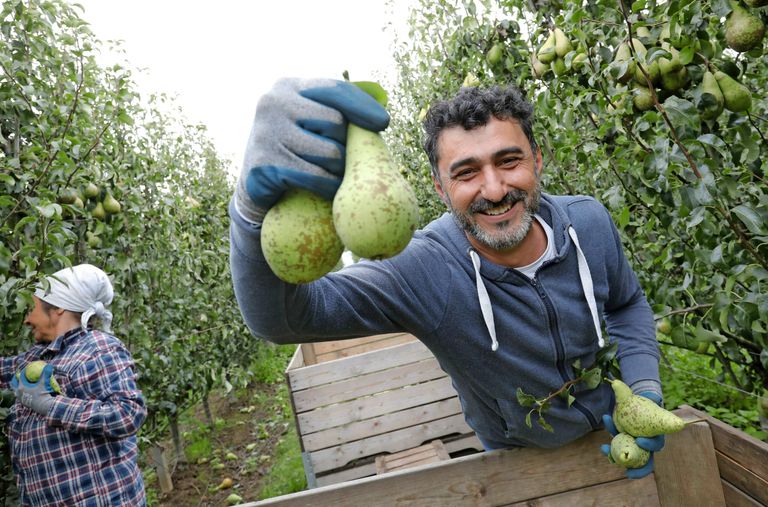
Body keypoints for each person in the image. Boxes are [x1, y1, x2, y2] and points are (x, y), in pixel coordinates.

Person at [229, 79, 665, 478]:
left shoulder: (588, 222)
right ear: (440, 188)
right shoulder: (425, 269)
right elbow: (284, 319)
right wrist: (249, 214)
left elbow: (626, 305)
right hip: (516, 471)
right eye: (466, 172)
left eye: (508, 161)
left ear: (537, 160)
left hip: (617, 444)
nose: (494, 190)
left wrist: (642, 389)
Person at [1, 264, 147, 506]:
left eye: (32, 308)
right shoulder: (37, 357)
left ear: (58, 307)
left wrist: (50, 406)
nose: (27, 319)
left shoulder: (98, 348)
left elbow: (129, 413)